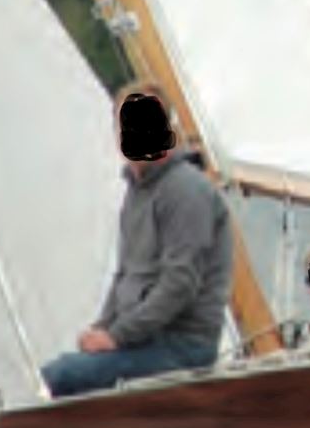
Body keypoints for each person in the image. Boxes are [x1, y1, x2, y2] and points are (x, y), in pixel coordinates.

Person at [40, 87, 233, 398]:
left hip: (182, 345)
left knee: (62, 377)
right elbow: (125, 275)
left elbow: (180, 284)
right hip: (143, 341)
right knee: (64, 368)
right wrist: (102, 329)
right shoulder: (137, 194)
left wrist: (116, 336)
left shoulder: (186, 190)